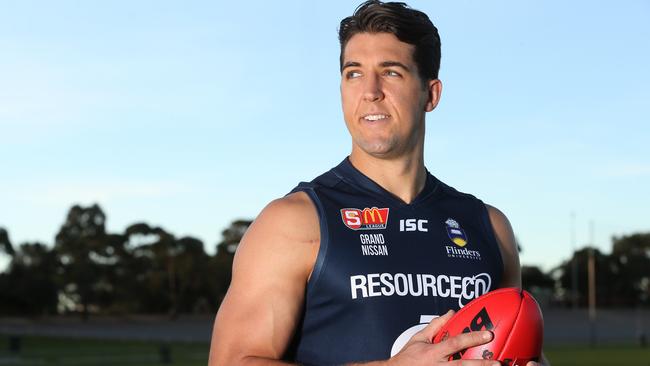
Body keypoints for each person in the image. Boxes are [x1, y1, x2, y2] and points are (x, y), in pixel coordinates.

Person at [209, 1, 549, 365]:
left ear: (430, 94)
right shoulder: (295, 221)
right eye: (353, 73)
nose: (369, 91)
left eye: (391, 72)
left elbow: (514, 347)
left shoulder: (489, 226)